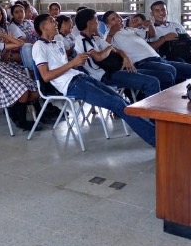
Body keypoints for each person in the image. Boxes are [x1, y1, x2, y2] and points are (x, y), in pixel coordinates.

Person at [32, 14, 156, 147]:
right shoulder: (39, 46)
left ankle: (156, 133)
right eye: (51, 21)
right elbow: (46, 76)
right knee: (117, 104)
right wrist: (71, 63)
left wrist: (75, 64)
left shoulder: (58, 43)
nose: (55, 22)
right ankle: (156, 139)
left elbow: (64, 66)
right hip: (71, 85)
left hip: (81, 77)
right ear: (43, 27)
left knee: (122, 102)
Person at [102, 10, 191, 88]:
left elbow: (151, 34)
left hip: (158, 59)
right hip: (142, 63)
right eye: (113, 19)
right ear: (107, 25)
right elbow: (105, 48)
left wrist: (148, 24)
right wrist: (111, 32)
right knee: (169, 71)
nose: (118, 19)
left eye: (117, 16)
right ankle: (169, 102)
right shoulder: (109, 35)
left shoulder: (129, 30)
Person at [74, 9, 160, 99]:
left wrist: (126, 58)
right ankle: (150, 111)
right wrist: (110, 47)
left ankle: (141, 106)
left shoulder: (96, 39)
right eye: (95, 19)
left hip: (116, 69)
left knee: (160, 76)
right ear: (89, 23)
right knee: (152, 82)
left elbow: (119, 51)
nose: (98, 22)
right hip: (105, 76)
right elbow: (98, 57)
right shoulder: (81, 41)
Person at [148, 1, 191, 70]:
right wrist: (164, 38)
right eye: (157, 11)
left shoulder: (176, 25)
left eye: (163, 10)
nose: (161, 13)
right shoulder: (151, 30)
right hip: (170, 58)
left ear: (167, 11)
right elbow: (150, 48)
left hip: (189, 55)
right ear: (152, 13)